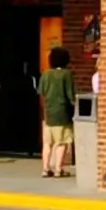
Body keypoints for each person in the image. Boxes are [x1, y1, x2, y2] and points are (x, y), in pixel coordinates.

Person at [37, 45, 76, 178]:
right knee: (62, 142)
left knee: (47, 143)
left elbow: (41, 93)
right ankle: (59, 169)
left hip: (48, 113)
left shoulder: (45, 74)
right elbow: (71, 95)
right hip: (62, 113)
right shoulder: (67, 74)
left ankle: (45, 168)